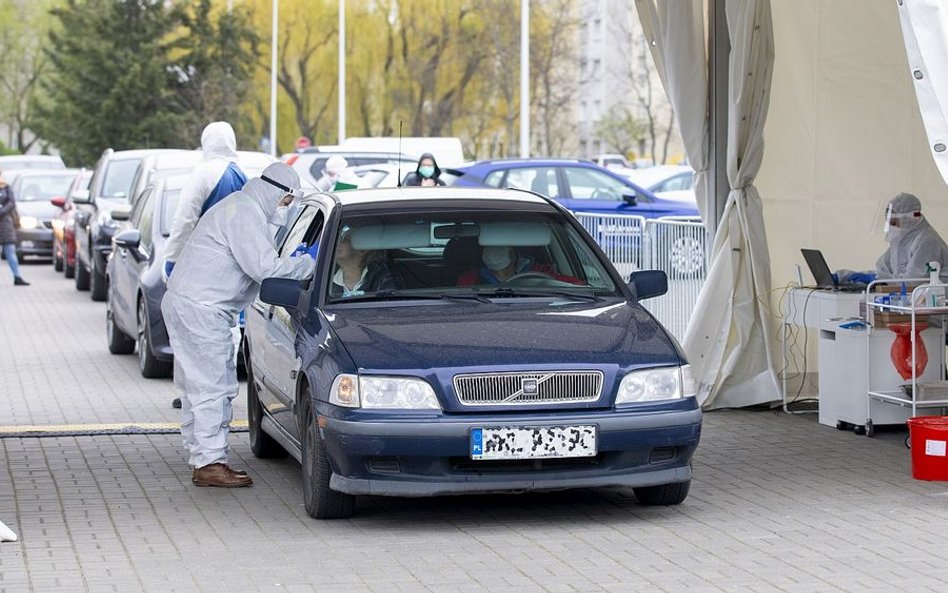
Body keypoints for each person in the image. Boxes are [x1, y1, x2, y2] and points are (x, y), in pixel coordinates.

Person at [161, 163, 315, 488]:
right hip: (202, 309)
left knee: (196, 388)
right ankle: (209, 463)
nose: (285, 211)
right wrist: (308, 262)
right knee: (212, 387)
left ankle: (200, 454)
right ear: (275, 192)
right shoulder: (243, 212)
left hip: (194, 305)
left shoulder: (242, 209)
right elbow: (264, 268)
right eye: (286, 203)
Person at [163, 121, 247, 409]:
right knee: (227, 327)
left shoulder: (204, 173)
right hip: (232, 266)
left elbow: (185, 220)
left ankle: (191, 393)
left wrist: (172, 260)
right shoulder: (241, 175)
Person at [837, 193, 948, 284]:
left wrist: (877, 280)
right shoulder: (901, 242)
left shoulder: (927, 242)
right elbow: (882, 271)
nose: (891, 228)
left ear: (909, 219)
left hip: (935, 305)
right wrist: (844, 276)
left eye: (893, 223)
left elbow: (912, 283)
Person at [457, 245, 580, 286]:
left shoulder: (542, 272)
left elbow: (576, 287)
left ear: (514, 252)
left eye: (501, 248)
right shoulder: (470, 279)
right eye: (490, 247)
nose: (495, 253)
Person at [330, 227, 399, 297]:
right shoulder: (327, 276)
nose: (337, 243)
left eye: (345, 240)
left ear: (362, 250)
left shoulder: (383, 275)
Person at [0, 169, 28, 286]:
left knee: (10, 250)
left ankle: (17, 276)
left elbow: (11, 203)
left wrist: (1, 211)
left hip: (5, 223)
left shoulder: (5, 187)